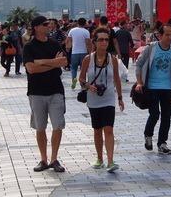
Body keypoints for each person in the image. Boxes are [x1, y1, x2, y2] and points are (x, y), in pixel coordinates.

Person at [23, 16, 68, 173]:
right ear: (36, 27)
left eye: (49, 24)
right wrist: (52, 63)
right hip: (36, 92)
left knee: (58, 125)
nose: (49, 26)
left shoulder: (54, 44)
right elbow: (31, 69)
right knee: (40, 127)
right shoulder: (29, 47)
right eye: (45, 24)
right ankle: (43, 159)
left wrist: (41, 62)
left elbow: (63, 62)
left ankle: (54, 159)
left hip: (56, 90)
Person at [79, 27, 125, 172]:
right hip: (93, 100)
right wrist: (88, 85)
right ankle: (99, 158)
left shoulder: (112, 59)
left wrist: (120, 97)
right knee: (97, 130)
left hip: (109, 98)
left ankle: (110, 161)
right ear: (95, 42)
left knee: (109, 129)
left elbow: (117, 78)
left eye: (106, 39)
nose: (104, 42)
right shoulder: (88, 59)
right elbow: (81, 78)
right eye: (101, 40)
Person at [135, 24, 171, 155]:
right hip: (152, 87)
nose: (170, 37)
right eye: (167, 34)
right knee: (154, 114)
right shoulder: (151, 48)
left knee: (167, 116)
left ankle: (162, 143)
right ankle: (148, 135)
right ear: (160, 35)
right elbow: (139, 64)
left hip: (167, 88)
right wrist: (139, 82)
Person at [66, 18, 92, 89]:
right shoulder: (86, 32)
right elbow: (88, 43)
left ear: (78, 23)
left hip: (74, 53)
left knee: (73, 68)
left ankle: (74, 79)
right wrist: (90, 52)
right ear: (85, 23)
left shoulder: (72, 30)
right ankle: (82, 83)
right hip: (83, 53)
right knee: (83, 69)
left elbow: (68, 40)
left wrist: (67, 48)